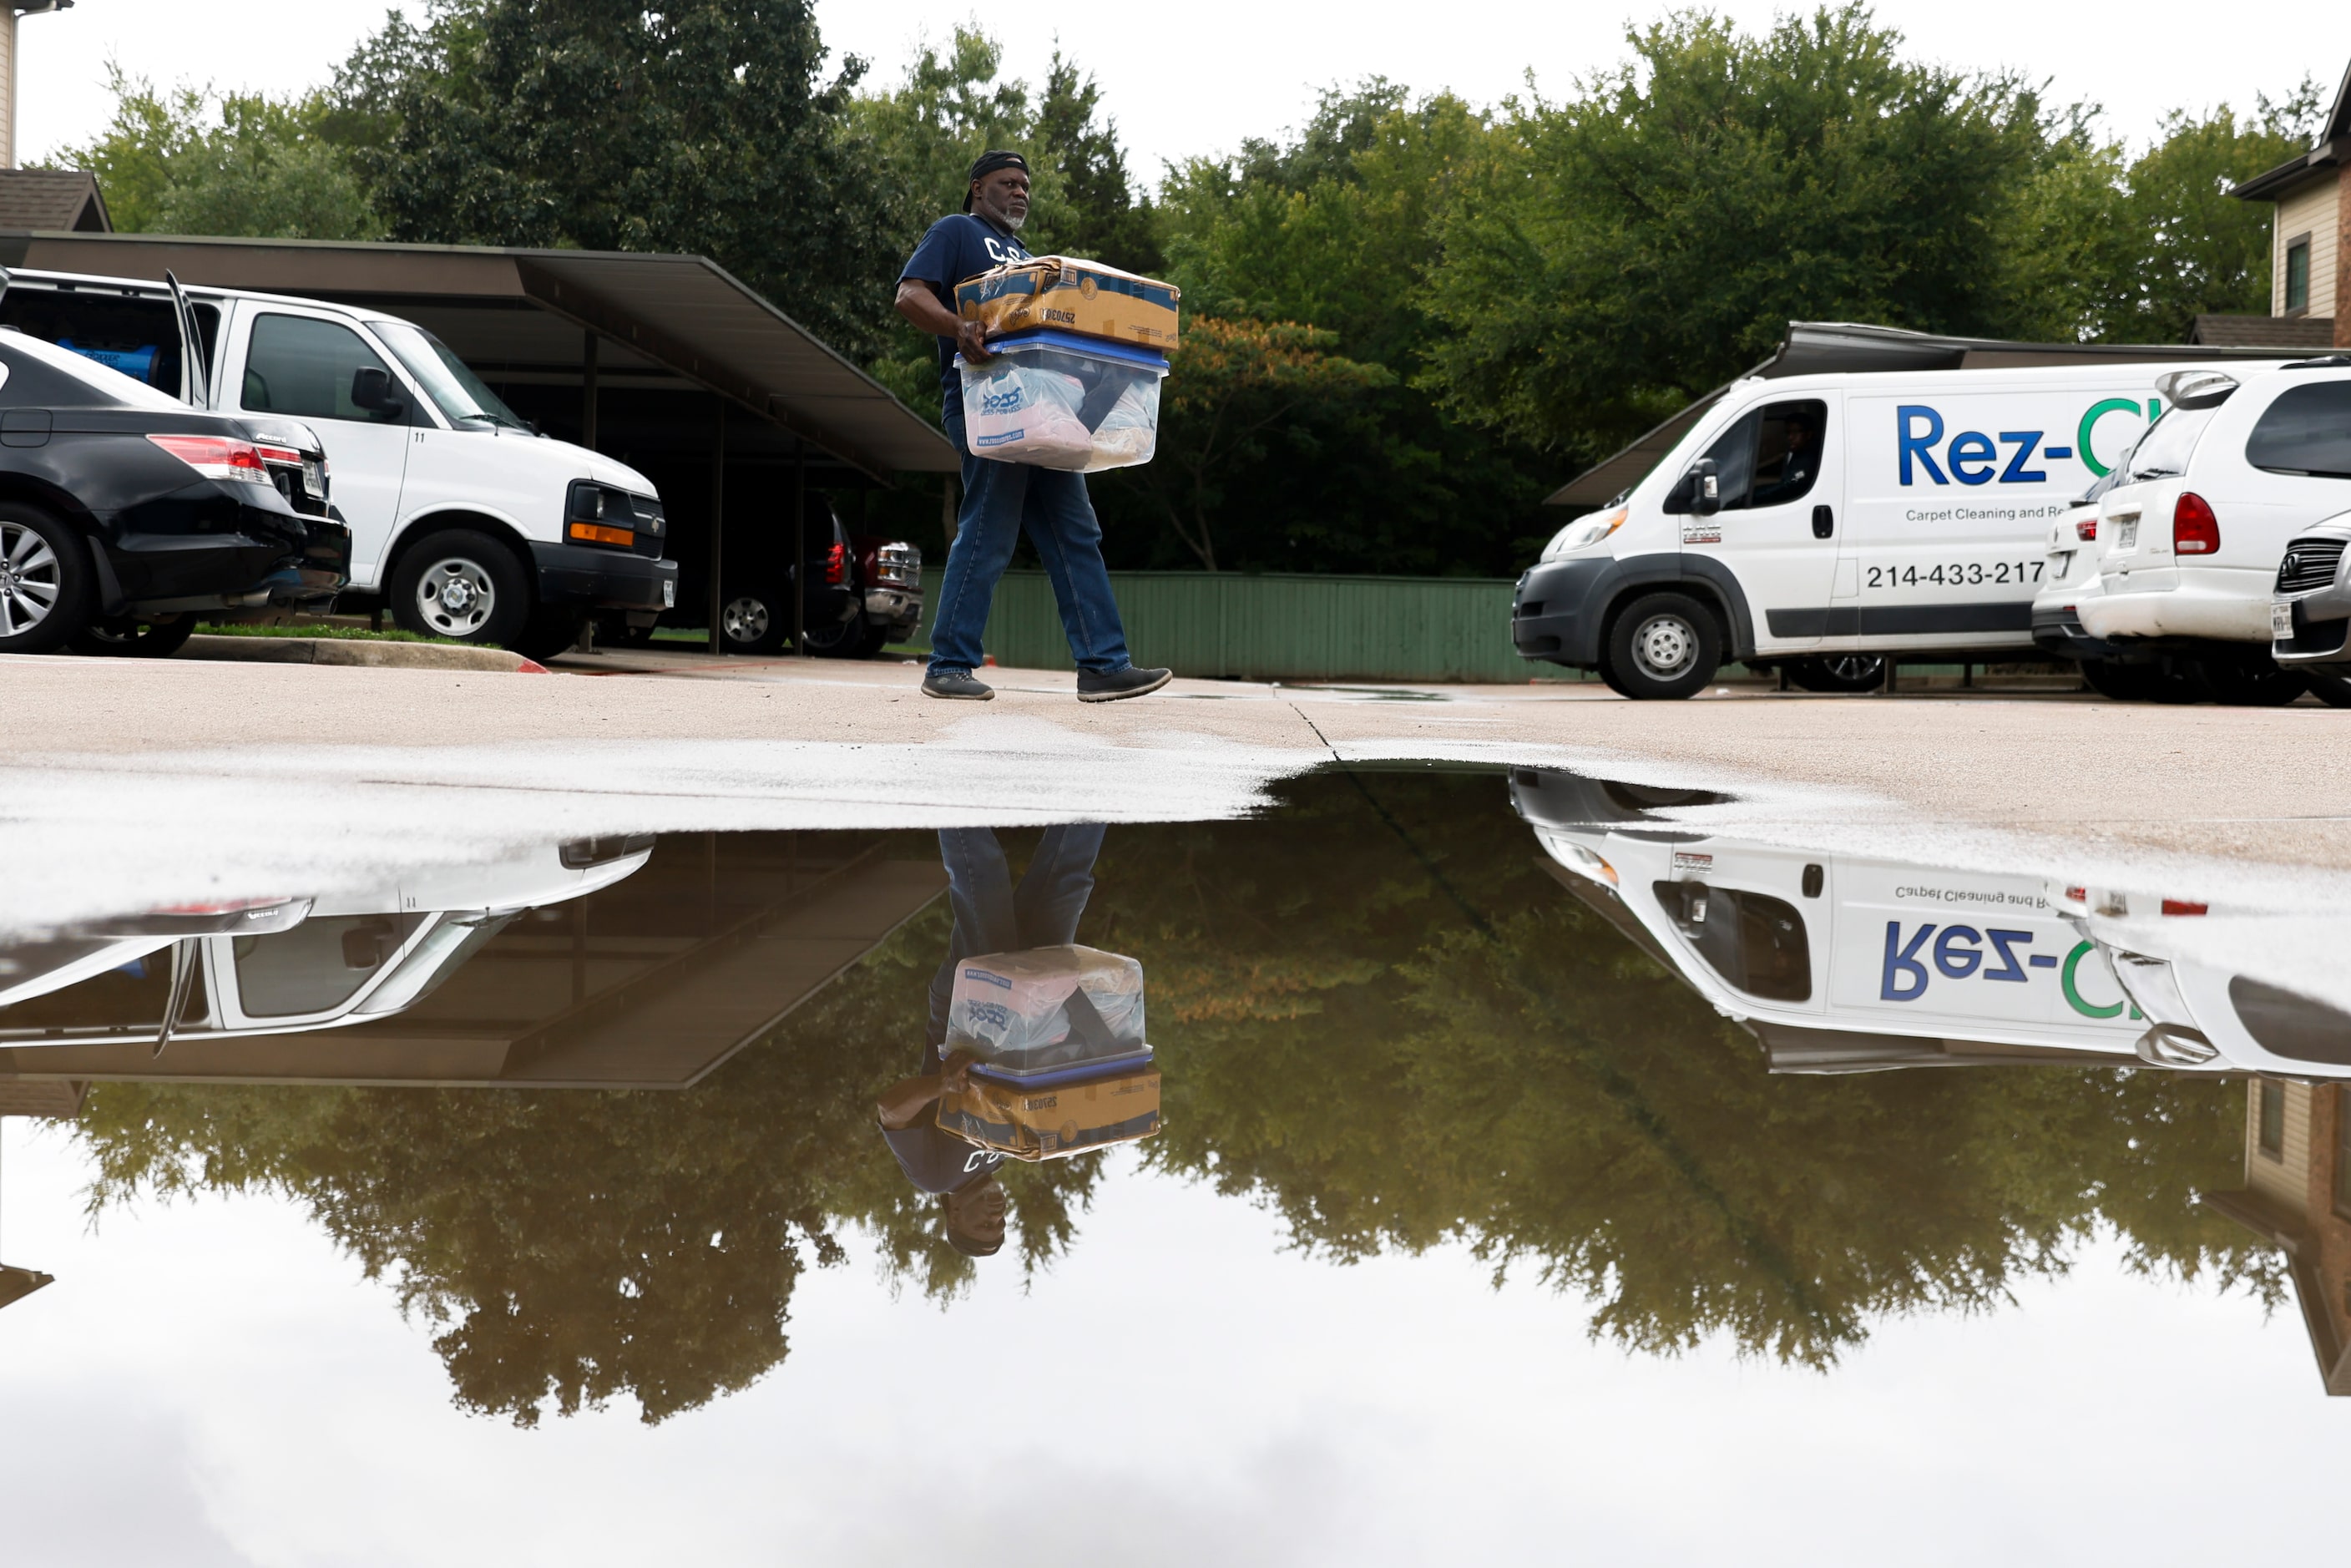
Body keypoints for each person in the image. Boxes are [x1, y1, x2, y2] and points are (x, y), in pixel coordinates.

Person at [895, 150, 1171, 705]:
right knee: (990, 528)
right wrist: (957, 327)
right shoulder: (957, 232)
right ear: (978, 188)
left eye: (1025, 185)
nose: (1020, 192)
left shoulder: (1028, 259)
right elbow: (909, 295)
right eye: (1008, 183)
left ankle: (1102, 666)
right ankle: (948, 664)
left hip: (1047, 411)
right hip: (990, 406)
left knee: (1076, 532)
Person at [873, 822, 1109, 1258]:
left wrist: (942, 1086)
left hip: (969, 1008)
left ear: (952, 1216)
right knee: (1067, 883)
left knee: (982, 878)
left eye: (984, 1224)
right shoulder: (999, 1156)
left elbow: (890, 1110)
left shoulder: (934, 1176)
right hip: (1029, 1004)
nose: (997, 1215)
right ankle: (1098, 781)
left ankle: (952, 777)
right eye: (1001, 1223)